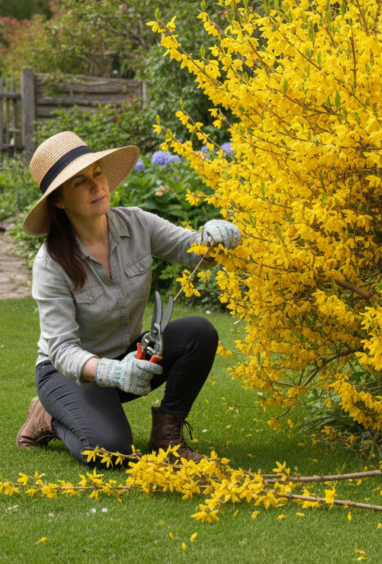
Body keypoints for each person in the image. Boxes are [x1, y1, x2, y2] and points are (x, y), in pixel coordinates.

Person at [14, 131, 240, 464]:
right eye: (79, 182)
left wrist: (215, 237)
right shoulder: (50, 264)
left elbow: (193, 248)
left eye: (97, 173)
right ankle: (48, 415)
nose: (96, 186)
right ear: (59, 200)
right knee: (111, 451)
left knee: (198, 333)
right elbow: (61, 350)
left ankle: (167, 436)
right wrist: (113, 372)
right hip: (69, 374)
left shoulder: (137, 224)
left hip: (130, 356)